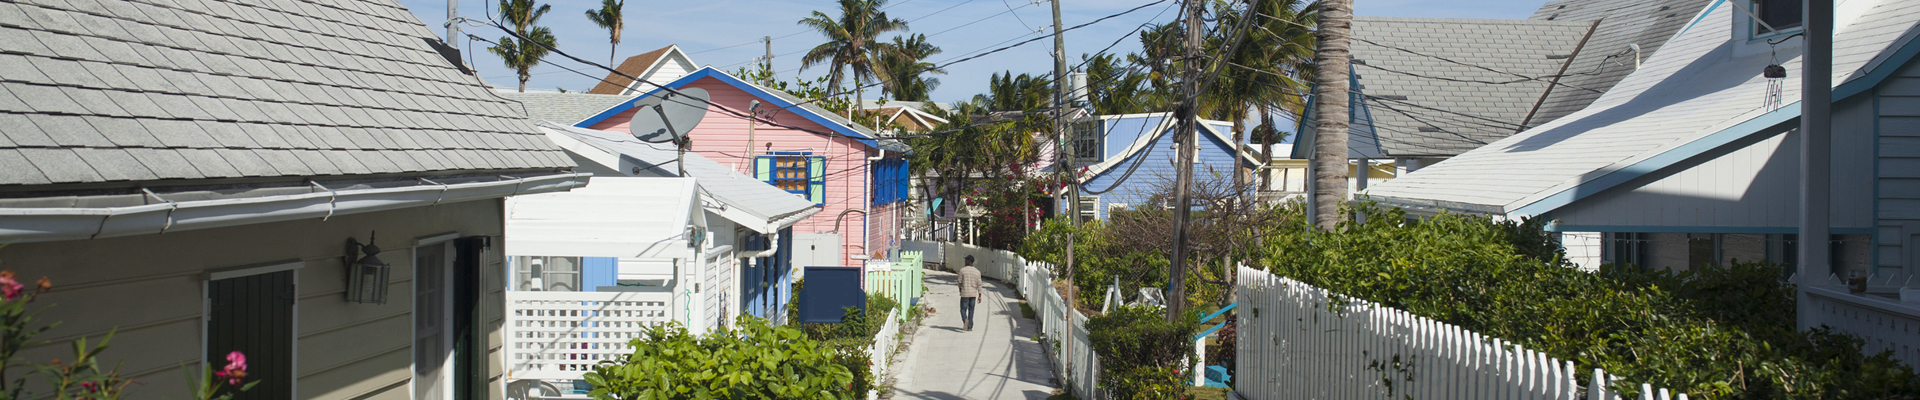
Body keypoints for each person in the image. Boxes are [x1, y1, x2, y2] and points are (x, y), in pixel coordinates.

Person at [958, 255, 982, 331]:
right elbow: (979, 284)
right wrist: (980, 295)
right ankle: (970, 327)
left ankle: (965, 320)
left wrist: (960, 289)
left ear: (968, 261)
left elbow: (959, 281)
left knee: (963, 309)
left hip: (965, 293)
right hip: (973, 294)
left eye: (966, 260)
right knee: (971, 310)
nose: (965, 261)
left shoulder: (962, 270)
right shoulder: (977, 272)